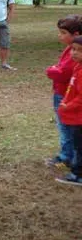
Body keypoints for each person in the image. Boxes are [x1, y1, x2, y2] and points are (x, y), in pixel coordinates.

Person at [45, 16, 82, 171]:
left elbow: (62, 71)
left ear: (76, 34)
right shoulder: (71, 49)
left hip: (66, 95)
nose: (60, 35)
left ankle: (67, 157)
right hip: (64, 93)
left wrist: (51, 70)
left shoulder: (76, 52)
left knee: (66, 128)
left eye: (63, 32)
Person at [55, 35, 82, 187]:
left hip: (79, 118)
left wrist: (68, 105)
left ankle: (78, 175)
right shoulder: (78, 67)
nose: (74, 53)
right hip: (75, 117)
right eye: (73, 49)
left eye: (80, 51)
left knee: (79, 148)